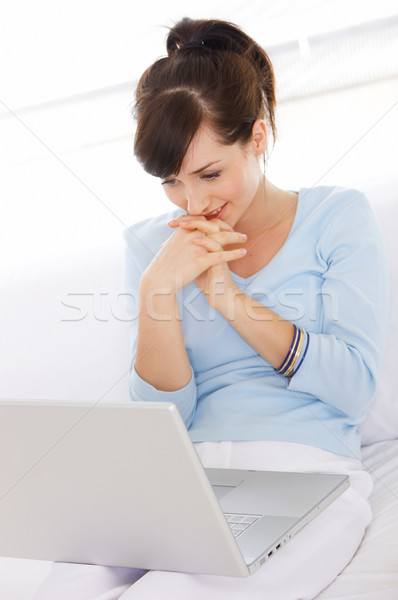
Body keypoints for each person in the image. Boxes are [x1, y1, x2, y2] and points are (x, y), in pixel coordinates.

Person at [33, 17, 388, 600]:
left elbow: (353, 387)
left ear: (258, 137)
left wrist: (224, 294)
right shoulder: (152, 247)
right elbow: (165, 417)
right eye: (172, 182)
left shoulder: (336, 216)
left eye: (209, 174)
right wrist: (158, 292)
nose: (193, 203)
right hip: (178, 478)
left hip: (302, 471)